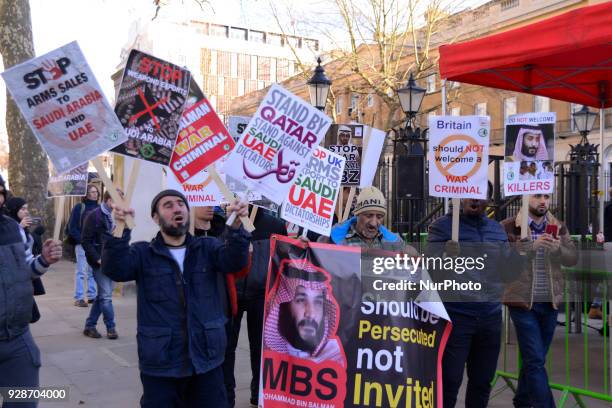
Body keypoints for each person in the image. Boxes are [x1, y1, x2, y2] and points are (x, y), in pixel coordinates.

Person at [102, 189, 250, 407]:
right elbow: (115, 269)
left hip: (206, 362)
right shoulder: (143, 254)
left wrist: (237, 227)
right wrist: (119, 228)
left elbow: (236, 261)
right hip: (162, 366)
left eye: (181, 203)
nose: (177, 208)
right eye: (168, 205)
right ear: (156, 217)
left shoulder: (207, 248)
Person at [427, 194, 524, 408]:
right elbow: (429, 273)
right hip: (456, 316)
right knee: (449, 381)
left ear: (488, 200)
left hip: (490, 317)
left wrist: (520, 255)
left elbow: (508, 274)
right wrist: (445, 258)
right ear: (459, 197)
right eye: (469, 195)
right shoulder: (442, 227)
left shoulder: (496, 230)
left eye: (480, 196)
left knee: (482, 382)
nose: (474, 200)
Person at [503, 194, 576, 407]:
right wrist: (529, 249)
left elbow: (572, 259)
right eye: (537, 196)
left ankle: (522, 401)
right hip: (523, 302)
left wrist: (558, 250)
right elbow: (504, 265)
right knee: (534, 360)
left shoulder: (558, 226)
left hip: (550, 302)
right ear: (525, 197)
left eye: (546, 196)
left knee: (535, 360)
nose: (543, 201)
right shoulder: (508, 227)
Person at [223, 205, 287, 407]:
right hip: (230, 292)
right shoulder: (225, 222)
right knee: (226, 348)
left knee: (260, 348)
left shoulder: (274, 224)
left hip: (261, 294)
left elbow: (285, 256)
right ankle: (226, 397)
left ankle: (258, 395)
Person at [0, 203, 62, 408]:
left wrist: (44, 260)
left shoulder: (12, 228)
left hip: (17, 339)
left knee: (22, 402)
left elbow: (25, 270)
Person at [263, 258, 345, 367]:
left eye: (318, 302)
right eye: (301, 300)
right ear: (284, 307)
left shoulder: (336, 358)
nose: (310, 313)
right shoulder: (270, 358)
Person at [318, 186, 417, 255]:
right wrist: (303, 247)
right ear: (357, 214)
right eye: (368, 215)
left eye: (379, 217)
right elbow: (313, 262)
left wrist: (413, 254)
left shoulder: (394, 241)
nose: (374, 223)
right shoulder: (331, 238)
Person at [82, 190, 123, 340]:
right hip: (99, 262)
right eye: (117, 199)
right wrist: (97, 258)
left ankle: (90, 325)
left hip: (112, 260)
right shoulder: (94, 215)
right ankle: (111, 328)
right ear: (108, 200)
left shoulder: (118, 216)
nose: (120, 203)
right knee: (106, 296)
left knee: (102, 295)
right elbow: (85, 240)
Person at [5, 197, 47, 324]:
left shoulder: (22, 228)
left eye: (27, 209)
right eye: (23, 209)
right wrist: (19, 228)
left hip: (23, 278)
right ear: (13, 210)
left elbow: (27, 253)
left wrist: (45, 259)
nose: (26, 212)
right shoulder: (8, 228)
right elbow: (14, 251)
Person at [68, 184, 100, 307]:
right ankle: (79, 297)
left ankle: (92, 296)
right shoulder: (79, 207)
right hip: (82, 244)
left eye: (96, 192)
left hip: (94, 245)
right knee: (81, 271)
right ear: (86, 194)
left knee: (92, 271)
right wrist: (82, 240)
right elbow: (73, 227)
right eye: (92, 192)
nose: (95, 194)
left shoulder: (99, 208)